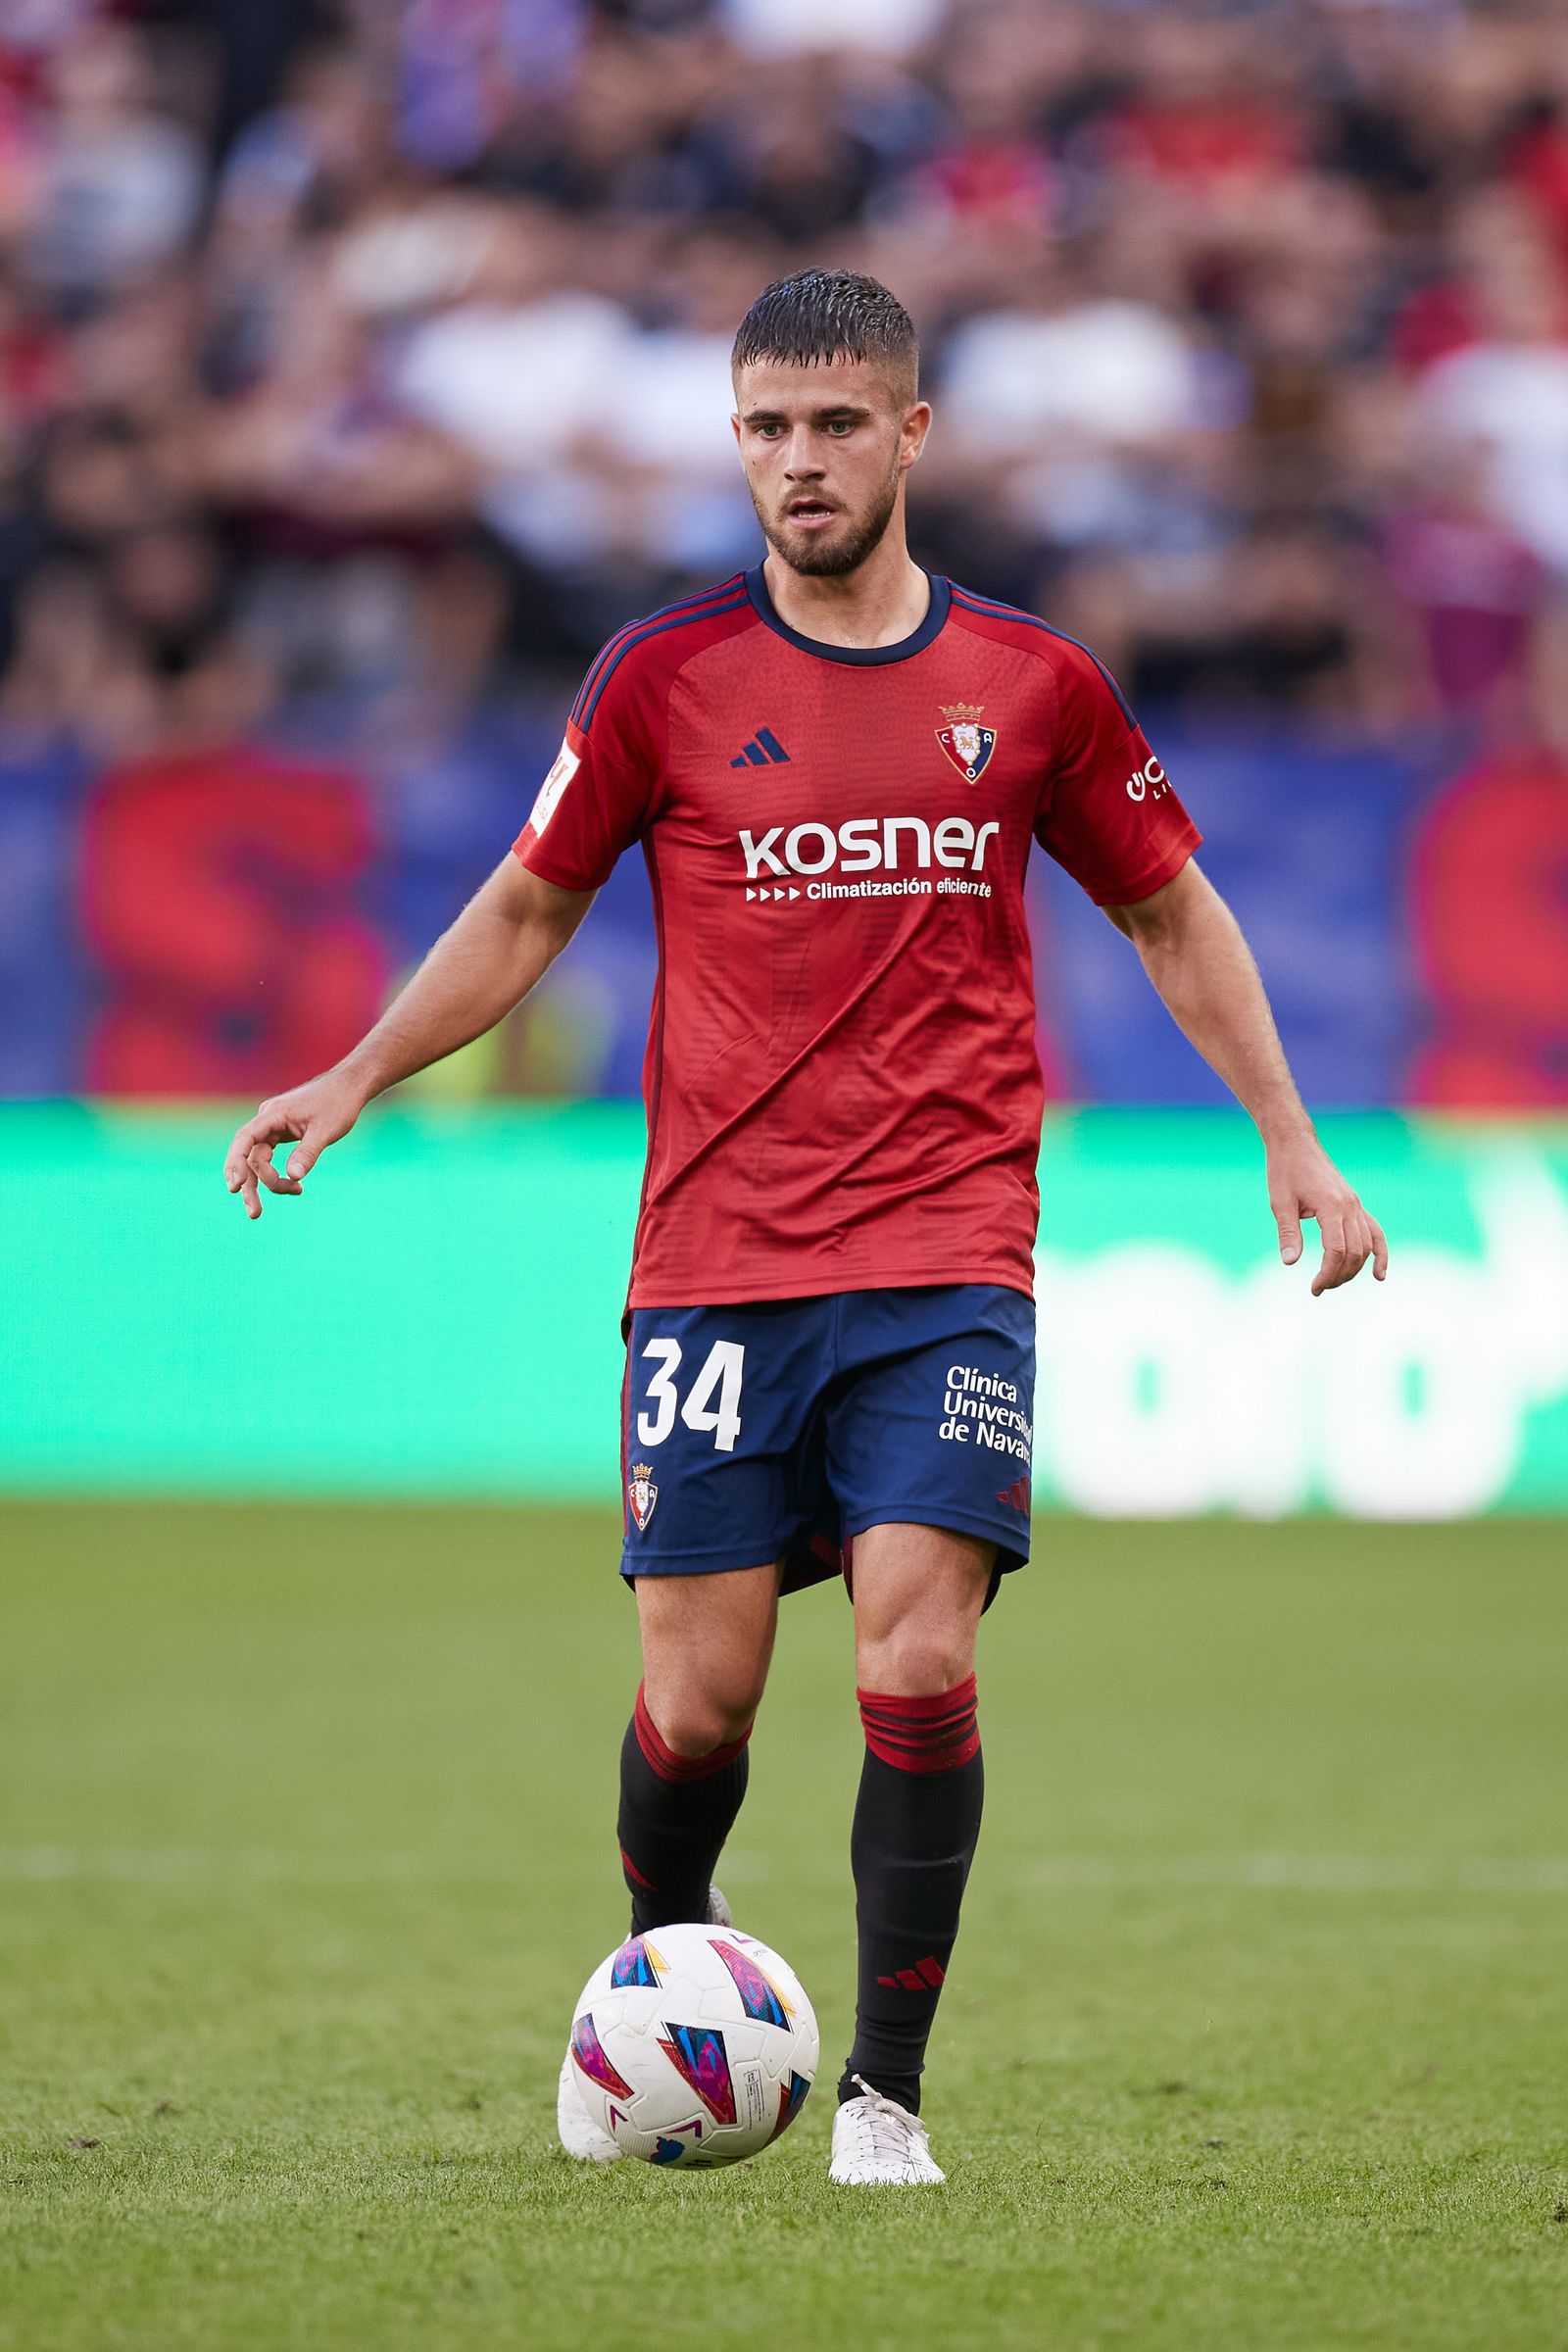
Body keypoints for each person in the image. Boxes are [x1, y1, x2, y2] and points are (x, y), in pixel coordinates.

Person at [223, 269, 1389, 2187]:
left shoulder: (1028, 685)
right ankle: (642, 2006)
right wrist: (354, 1076)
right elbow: (527, 905)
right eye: (764, 428)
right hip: (711, 1263)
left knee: (917, 1666)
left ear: (908, 435)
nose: (796, 463)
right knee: (697, 1708)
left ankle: (883, 2096)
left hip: (943, 1262)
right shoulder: (660, 679)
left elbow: (1168, 908)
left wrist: (1290, 1138)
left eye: (834, 424)